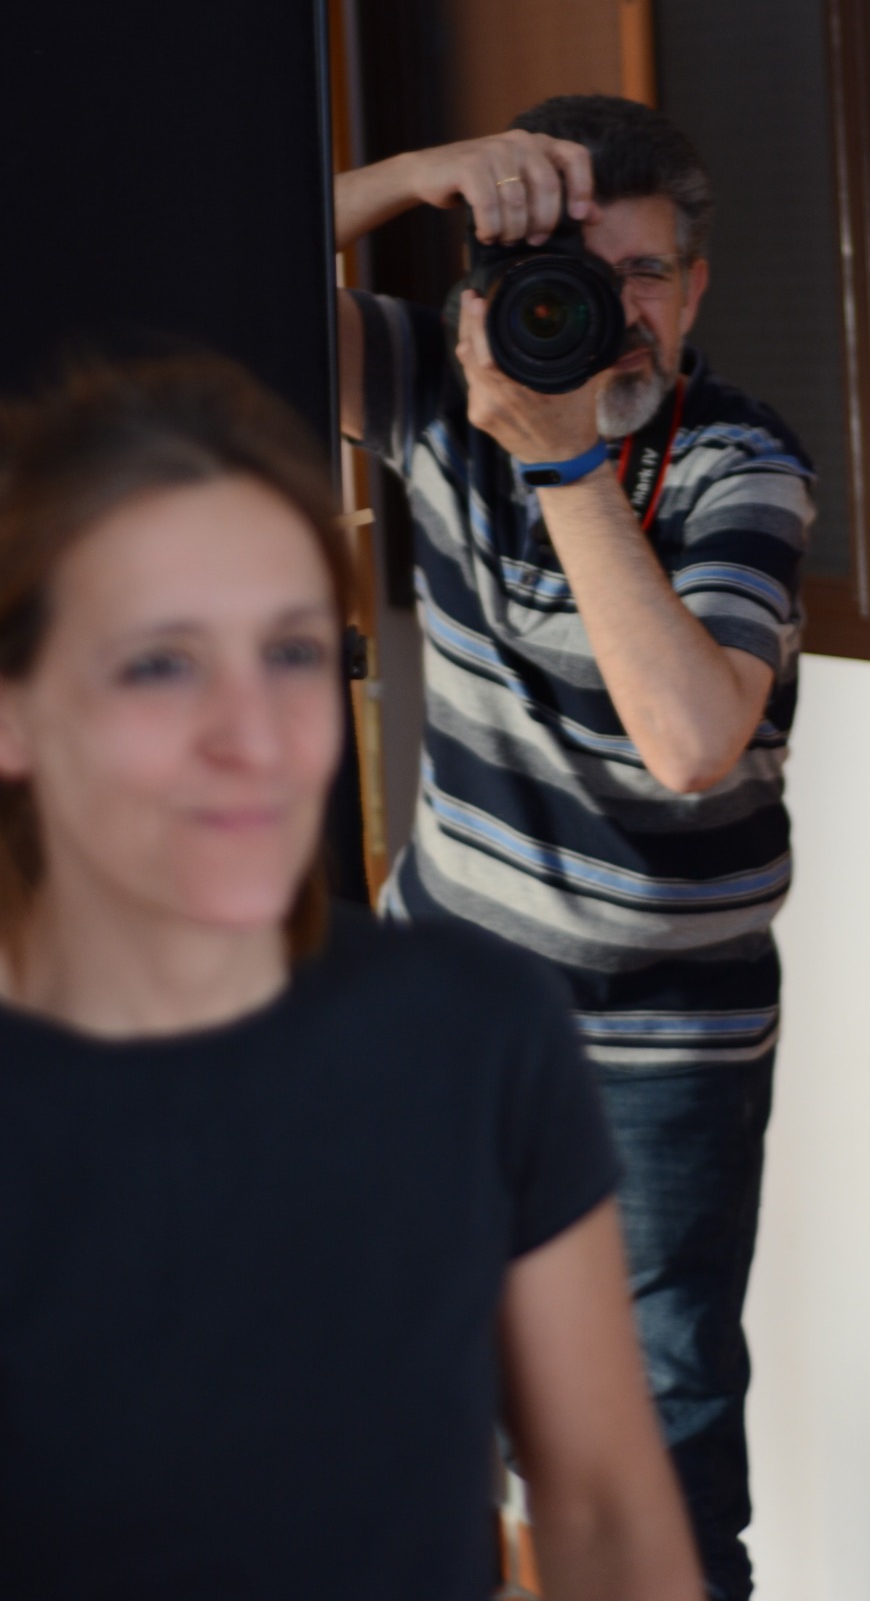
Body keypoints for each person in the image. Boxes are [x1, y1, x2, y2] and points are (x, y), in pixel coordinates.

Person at [0, 351, 703, 1601]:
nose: (258, 737)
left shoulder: (470, 1030)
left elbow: (601, 1507)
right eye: (160, 663)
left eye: (290, 652)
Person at [336, 94, 815, 1601]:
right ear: (487, 284)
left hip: (668, 1051)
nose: (605, 313)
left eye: (643, 275)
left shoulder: (738, 458)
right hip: (446, 1027)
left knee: (658, 1461)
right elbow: (181, 281)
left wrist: (564, 468)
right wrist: (414, 176)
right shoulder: (437, 389)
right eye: (565, 276)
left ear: (695, 288)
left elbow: (690, 738)